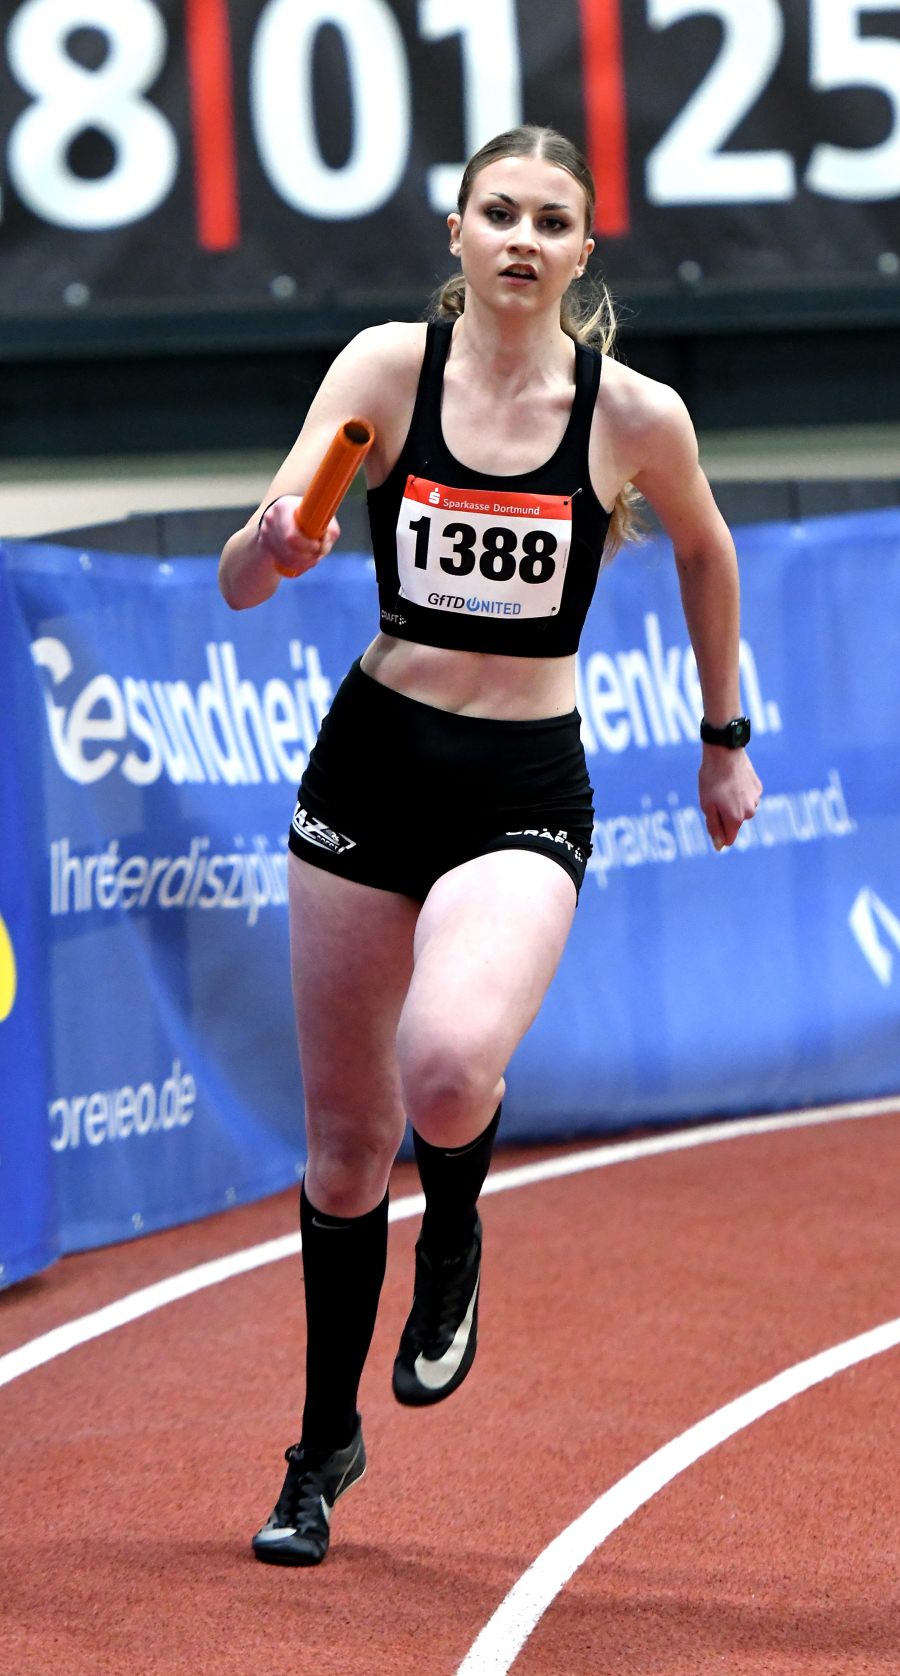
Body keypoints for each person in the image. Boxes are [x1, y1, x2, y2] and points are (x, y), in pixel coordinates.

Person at [219, 125, 761, 1568]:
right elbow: (241, 574)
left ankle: (452, 1226)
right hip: (370, 765)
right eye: (497, 212)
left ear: (586, 253)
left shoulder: (634, 414)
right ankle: (320, 1448)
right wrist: (272, 549)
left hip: (524, 776)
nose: (522, 238)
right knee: (343, 1151)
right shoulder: (385, 373)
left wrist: (725, 734)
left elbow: (707, 551)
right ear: (456, 235)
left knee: (448, 1068)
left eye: (552, 220)